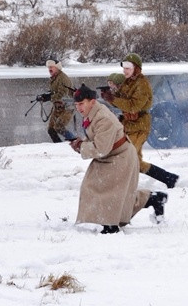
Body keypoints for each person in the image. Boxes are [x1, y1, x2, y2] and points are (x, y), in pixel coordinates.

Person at [70, 85, 167, 234]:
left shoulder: (103, 118)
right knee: (117, 195)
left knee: (110, 192)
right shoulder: (93, 113)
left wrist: (81, 146)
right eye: (76, 105)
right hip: (111, 156)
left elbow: (101, 148)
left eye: (81, 103)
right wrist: (81, 143)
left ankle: (110, 225)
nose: (79, 108)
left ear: (92, 101)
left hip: (120, 158)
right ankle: (154, 199)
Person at [101, 53, 179, 188]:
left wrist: (113, 99)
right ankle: (169, 178)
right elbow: (121, 102)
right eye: (123, 67)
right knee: (135, 161)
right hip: (129, 125)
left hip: (139, 126)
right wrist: (110, 96)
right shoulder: (128, 82)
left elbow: (133, 106)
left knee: (127, 157)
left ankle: (121, 186)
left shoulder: (142, 84)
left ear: (136, 68)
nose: (125, 71)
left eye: (128, 68)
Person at [37, 59, 75, 143]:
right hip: (58, 107)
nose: (49, 69)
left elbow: (62, 94)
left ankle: (75, 141)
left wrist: (48, 98)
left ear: (57, 67)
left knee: (59, 127)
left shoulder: (63, 78)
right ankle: (59, 146)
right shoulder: (54, 78)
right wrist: (44, 96)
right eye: (48, 67)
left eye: (51, 67)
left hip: (68, 108)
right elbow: (54, 92)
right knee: (51, 130)